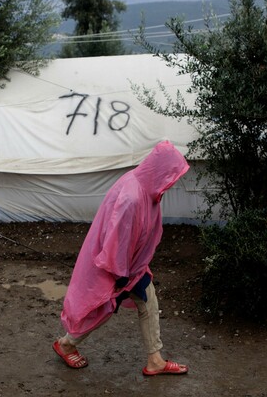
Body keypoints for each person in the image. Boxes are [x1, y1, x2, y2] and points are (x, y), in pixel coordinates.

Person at [53, 140, 190, 376]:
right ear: (160, 170)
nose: (172, 182)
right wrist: (120, 275)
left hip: (130, 267)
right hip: (115, 268)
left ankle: (155, 359)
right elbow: (118, 239)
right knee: (100, 308)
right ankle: (66, 344)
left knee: (147, 301)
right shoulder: (132, 198)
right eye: (171, 176)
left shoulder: (144, 186)